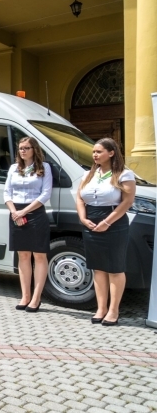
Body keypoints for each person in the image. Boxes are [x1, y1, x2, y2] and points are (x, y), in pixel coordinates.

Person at [76, 138, 136, 326]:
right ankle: (101, 308)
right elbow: (79, 197)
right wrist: (83, 218)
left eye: (99, 151)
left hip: (114, 221)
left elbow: (127, 201)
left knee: (115, 267)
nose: (95, 155)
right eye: (93, 151)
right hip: (90, 221)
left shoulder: (124, 174)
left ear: (111, 153)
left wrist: (107, 222)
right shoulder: (88, 174)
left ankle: (113, 310)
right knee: (98, 267)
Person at [3, 137, 53, 313]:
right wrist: (14, 211)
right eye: (20, 148)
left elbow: (45, 194)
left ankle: (36, 298)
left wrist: (24, 211)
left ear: (34, 149)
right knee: (23, 255)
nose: (23, 151)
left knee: (39, 256)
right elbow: (7, 192)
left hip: (35, 212)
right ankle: (25, 296)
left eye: (26, 148)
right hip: (15, 213)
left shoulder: (44, 167)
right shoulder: (13, 168)